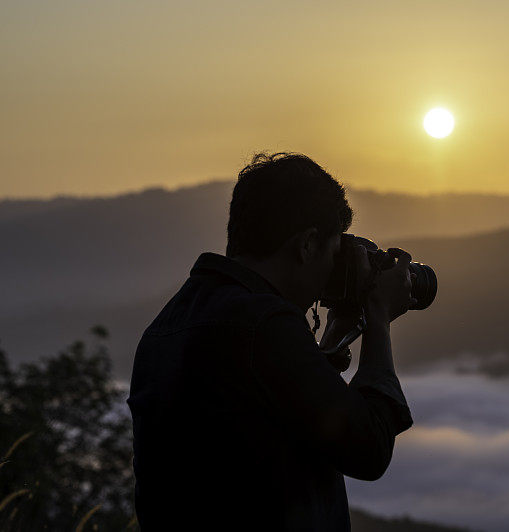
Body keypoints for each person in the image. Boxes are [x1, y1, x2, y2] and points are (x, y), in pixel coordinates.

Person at [126, 152, 414, 530]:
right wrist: (378, 316)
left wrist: (336, 332)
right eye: (332, 251)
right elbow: (369, 448)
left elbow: (279, 405)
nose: (332, 268)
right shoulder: (263, 326)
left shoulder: (170, 323)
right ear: (307, 245)